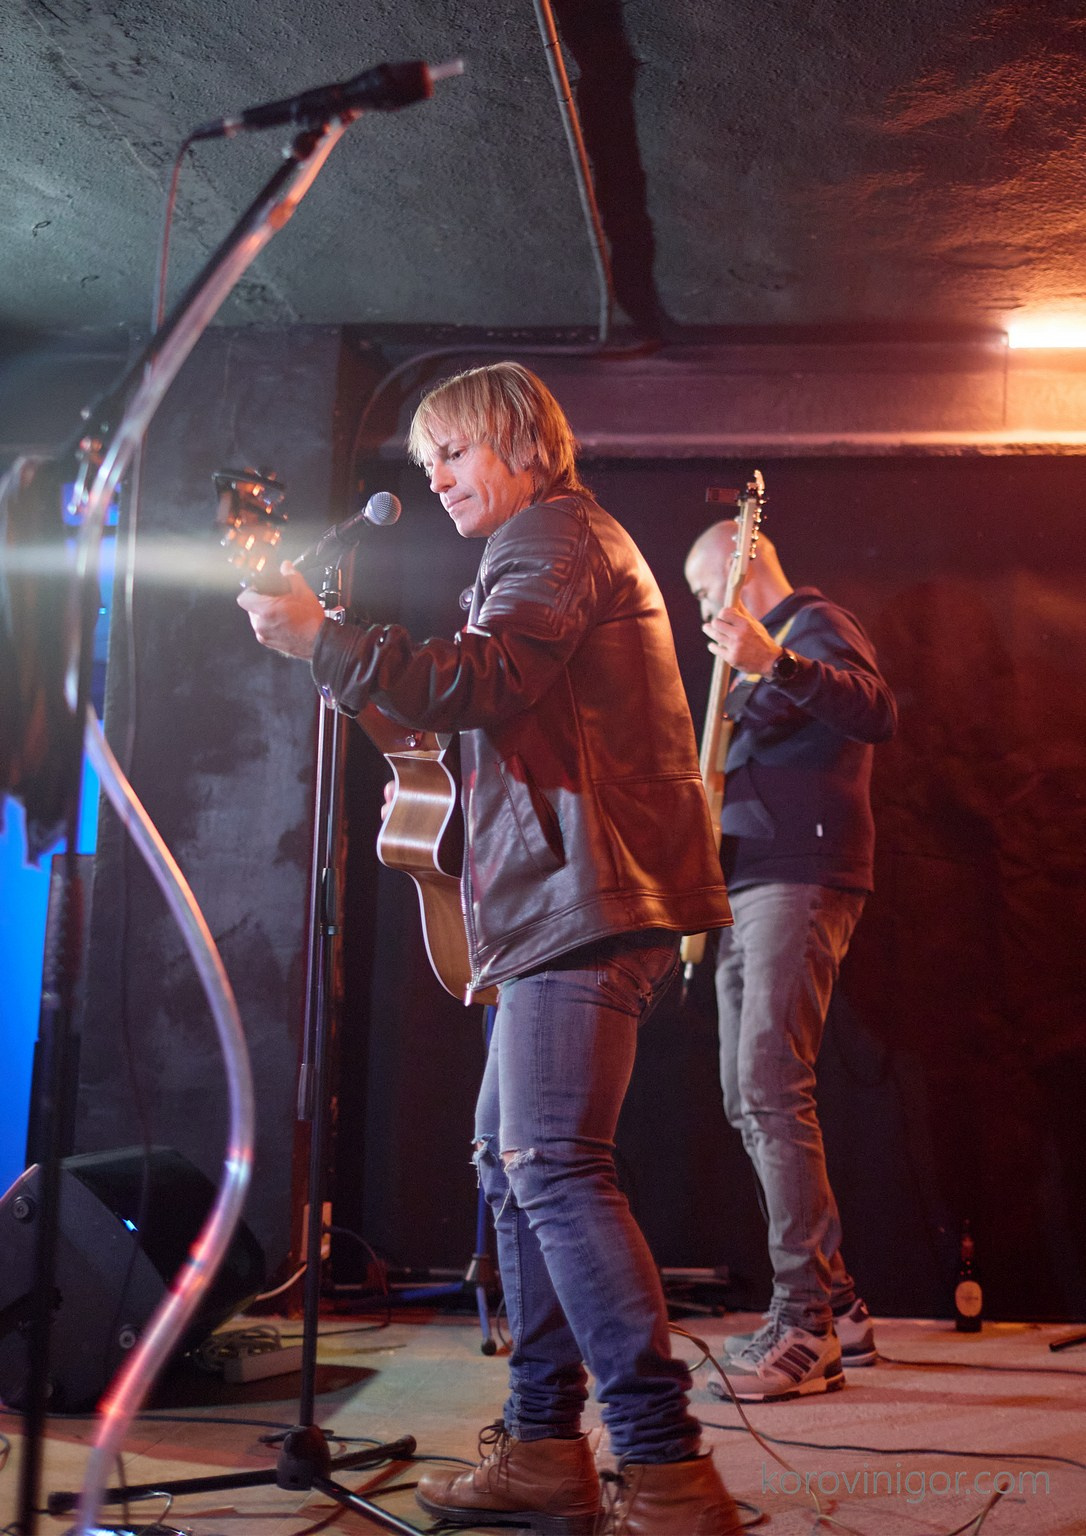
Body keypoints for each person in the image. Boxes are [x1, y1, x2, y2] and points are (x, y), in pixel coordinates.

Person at [240, 362, 740, 1535]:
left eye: (453, 454)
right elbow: (480, 717)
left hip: (585, 902)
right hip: (551, 910)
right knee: (509, 1171)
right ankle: (544, 1453)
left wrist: (333, 640)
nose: (438, 478)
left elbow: (487, 676)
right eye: (427, 464)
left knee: (555, 1169)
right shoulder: (538, 552)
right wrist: (331, 658)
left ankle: (668, 1471)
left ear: (520, 443)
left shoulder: (556, 537)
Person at [684, 518, 897, 1404]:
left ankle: (807, 1324)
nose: (702, 610)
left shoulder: (814, 625)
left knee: (772, 1084)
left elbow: (877, 710)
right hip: (751, 880)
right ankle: (838, 1305)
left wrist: (774, 660)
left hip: (801, 877)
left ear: (744, 562)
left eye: (705, 589)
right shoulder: (757, 660)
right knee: (748, 1094)